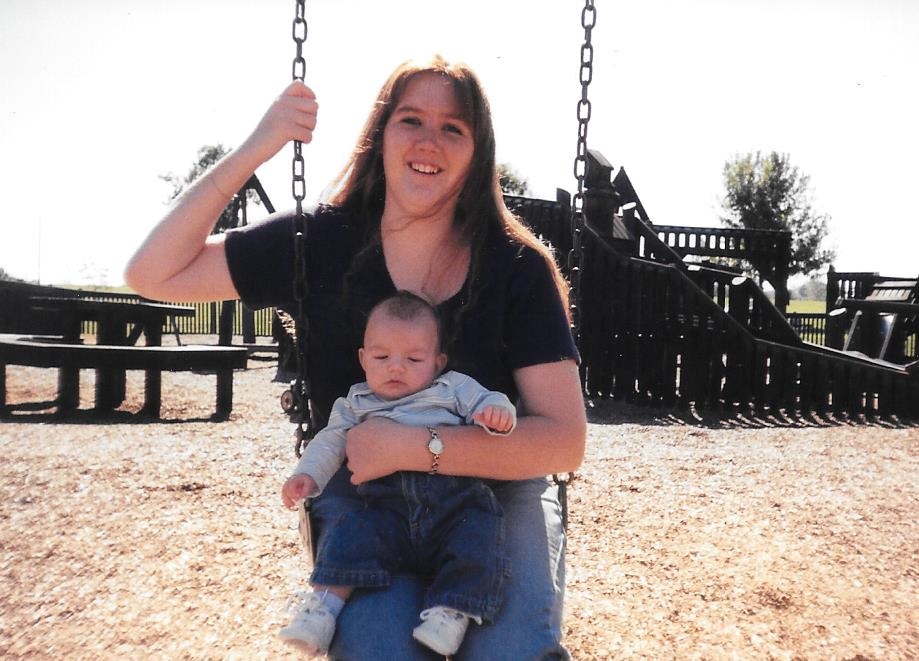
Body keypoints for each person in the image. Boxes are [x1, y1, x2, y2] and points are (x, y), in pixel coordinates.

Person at [124, 54, 586, 659]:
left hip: (495, 489)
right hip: (366, 493)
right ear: (380, 134)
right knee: (378, 647)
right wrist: (259, 147)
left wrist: (414, 447)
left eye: (453, 128)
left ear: (479, 151)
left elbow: (563, 440)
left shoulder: (517, 266)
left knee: (510, 651)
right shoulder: (319, 240)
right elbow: (152, 273)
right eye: (410, 120)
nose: (429, 141)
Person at [279, 290, 517, 655]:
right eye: (382, 357)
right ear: (363, 359)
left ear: (437, 362)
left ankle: (450, 612)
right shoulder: (356, 403)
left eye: (414, 358)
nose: (396, 367)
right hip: (384, 508)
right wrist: (308, 475)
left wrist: (497, 412)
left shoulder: (452, 388)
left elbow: (489, 400)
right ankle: (323, 607)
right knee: (349, 534)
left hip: (455, 504)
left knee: (479, 537)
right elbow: (329, 442)